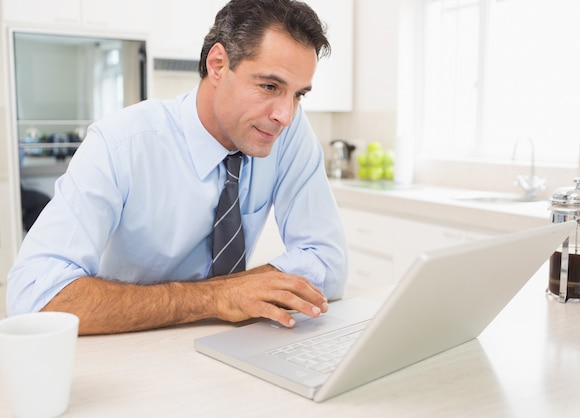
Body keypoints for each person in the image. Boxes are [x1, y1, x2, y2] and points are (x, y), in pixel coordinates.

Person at [7, 0, 348, 335]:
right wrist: (214, 298)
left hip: (229, 345)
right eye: (269, 86)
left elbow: (329, 262)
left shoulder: (286, 131)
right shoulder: (120, 144)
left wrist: (235, 292)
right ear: (217, 65)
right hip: (132, 345)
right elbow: (34, 294)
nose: (285, 115)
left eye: (298, 94)